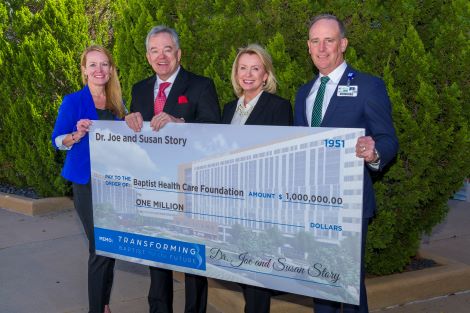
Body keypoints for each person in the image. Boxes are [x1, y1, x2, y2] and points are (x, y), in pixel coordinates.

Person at [294, 14, 399, 313]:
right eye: (315, 41)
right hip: (311, 203)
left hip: (349, 205)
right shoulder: (305, 92)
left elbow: (388, 138)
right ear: (308, 46)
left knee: (348, 287)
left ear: (343, 44)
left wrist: (374, 151)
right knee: (319, 281)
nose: (322, 48)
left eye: (329, 40)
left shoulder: (368, 86)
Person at [125, 26, 221, 313]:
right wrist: (129, 121)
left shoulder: (201, 85)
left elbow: (214, 130)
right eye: (155, 50)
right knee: (157, 254)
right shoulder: (139, 89)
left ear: (179, 53)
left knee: (192, 260)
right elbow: (136, 140)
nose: (161, 56)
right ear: (147, 56)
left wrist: (180, 123)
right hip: (153, 186)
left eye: (167, 49)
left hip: (189, 188)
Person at [52, 45, 127, 313]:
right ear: (84, 70)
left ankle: (103, 303)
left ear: (111, 69)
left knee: (110, 246)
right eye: (93, 65)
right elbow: (57, 139)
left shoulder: (118, 103)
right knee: (100, 247)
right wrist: (77, 134)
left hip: (113, 185)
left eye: (104, 64)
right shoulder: (73, 101)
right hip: (86, 183)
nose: (99, 70)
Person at [222, 43, 293, 313]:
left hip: (259, 204)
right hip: (232, 202)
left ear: (266, 75)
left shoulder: (279, 107)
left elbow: (279, 158)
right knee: (241, 269)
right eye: (243, 68)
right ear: (236, 73)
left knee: (257, 275)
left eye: (255, 68)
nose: (248, 74)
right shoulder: (228, 108)